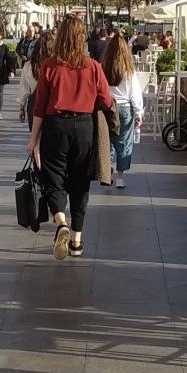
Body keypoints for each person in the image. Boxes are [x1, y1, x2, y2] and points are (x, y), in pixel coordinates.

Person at [27, 16, 113, 260]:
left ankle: (60, 221)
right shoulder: (93, 66)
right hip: (84, 127)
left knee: (53, 178)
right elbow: (106, 100)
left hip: (55, 126)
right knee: (80, 183)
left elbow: (40, 107)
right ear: (81, 37)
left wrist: (33, 141)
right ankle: (76, 240)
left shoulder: (50, 66)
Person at [102, 32, 144, 189]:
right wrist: (139, 113)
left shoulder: (102, 67)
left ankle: (107, 171)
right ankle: (120, 177)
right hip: (125, 107)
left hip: (107, 106)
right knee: (124, 142)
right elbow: (135, 94)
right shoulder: (129, 70)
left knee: (108, 141)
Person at [16, 48, 37, 125]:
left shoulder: (29, 65)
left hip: (34, 102)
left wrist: (21, 108)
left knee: (35, 134)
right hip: (52, 106)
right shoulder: (57, 65)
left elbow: (24, 88)